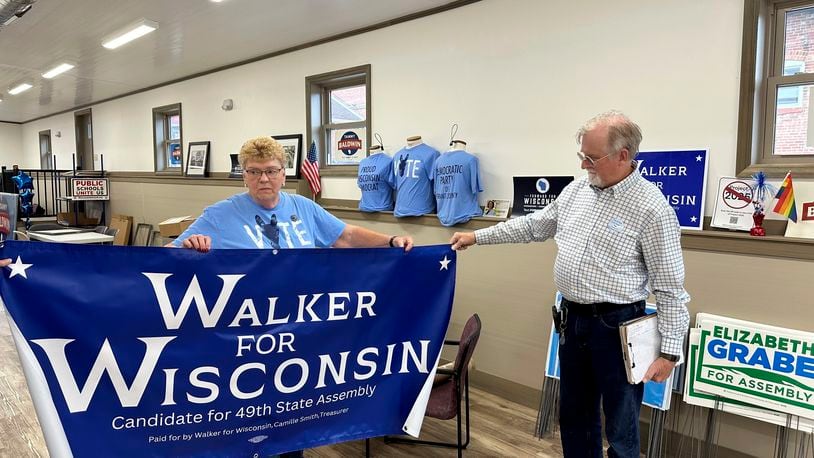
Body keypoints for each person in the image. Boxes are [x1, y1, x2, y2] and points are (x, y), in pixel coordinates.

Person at [449, 111, 689, 458]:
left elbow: (670, 287)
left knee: (621, 426)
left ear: (623, 156)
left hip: (617, 327)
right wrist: (477, 236)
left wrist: (669, 353)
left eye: (591, 158)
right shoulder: (577, 191)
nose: (583, 166)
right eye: (581, 156)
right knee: (575, 414)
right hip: (572, 321)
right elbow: (533, 226)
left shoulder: (653, 209)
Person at [174, 136, 413, 252]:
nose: (264, 178)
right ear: (244, 176)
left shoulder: (304, 207)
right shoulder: (220, 214)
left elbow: (346, 236)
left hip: (298, 315)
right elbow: (165, 258)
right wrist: (188, 246)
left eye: (271, 170)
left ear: (283, 174)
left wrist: (390, 241)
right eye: (254, 172)